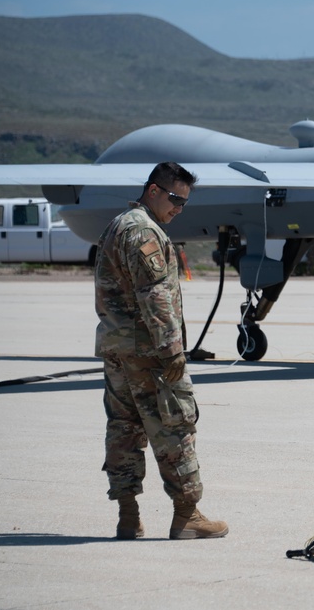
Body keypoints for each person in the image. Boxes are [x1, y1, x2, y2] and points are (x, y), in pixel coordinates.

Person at [95, 161, 229, 540]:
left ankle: (128, 516)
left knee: (124, 429)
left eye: (184, 203)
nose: (178, 208)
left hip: (118, 348)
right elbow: (155, 296)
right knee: (174, 428)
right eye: (174, 199)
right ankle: (187, 514)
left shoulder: (119, 224)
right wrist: (172, 351)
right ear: (153, 190)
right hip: (149, 352)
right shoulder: (143, 232)